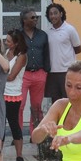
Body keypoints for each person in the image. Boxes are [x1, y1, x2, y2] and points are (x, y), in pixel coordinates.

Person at [18, 8, 50, 136]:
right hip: (23, 74)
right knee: (19, 105)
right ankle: (18, 135)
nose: (35, 19)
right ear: (24, 20)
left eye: (37, 17)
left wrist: (46, 71)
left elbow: (46, 54)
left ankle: (35, 134)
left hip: (39, 73)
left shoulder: (43, 35)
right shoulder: (18, 35)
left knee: (37, 106)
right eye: (32, 17)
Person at [45, 3, 81, 103]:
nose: (53, 16)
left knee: (69, 99)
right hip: (52, 72)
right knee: (56, 102)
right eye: (50, 14)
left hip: (67, 71)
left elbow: (78, 49)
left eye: (55, 13)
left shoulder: (70, 29)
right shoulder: (48, 32)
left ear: (61, 14)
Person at [2, 29, 28, 161]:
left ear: (16, 43)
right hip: (2, 92)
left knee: (13, 124)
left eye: (8, 41)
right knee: (1, 124)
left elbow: (11, 76)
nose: (6, 42)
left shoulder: (21, 56)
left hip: (13, 94)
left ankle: (19, 156)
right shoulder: (7, 52)